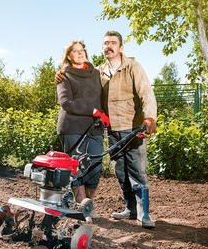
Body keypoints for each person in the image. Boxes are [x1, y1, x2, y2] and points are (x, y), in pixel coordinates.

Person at [55, 31, 157, 228]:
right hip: (112, 129)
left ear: (121, 47)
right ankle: (130, 209)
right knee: (121, 171)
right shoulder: (99, 71)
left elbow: (147, 93)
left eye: (113, 43)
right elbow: (80, 78)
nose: (109, 46)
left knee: (137, 171)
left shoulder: (133, 67)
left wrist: (150, 117)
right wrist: (61, 71)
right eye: (105, 43)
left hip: (132, 127)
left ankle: (144, 214)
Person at [56, 40, 110, 224]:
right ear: (69, 56)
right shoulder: (65, 76)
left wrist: (105, 116)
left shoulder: (96, 74)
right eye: (75, 51)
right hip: (71, 127)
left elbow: (103, 97)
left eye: (82, 50)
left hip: (94, 127)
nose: (80, 53)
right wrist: (93, 111)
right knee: (77, 169)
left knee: (95, 167)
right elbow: (66, 103)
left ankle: (89, 205)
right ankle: (81, 208)